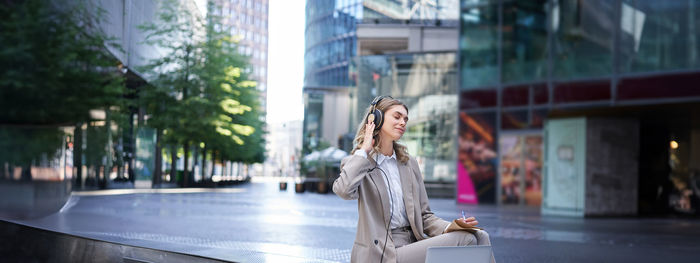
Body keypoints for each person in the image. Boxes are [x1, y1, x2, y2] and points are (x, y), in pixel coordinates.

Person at [333, 96, 494, 263]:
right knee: (465, 240)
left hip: (412, 244)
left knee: (479, 235)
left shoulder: (408, 163)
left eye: (405, 119)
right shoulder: (359, 162)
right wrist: (365, 150)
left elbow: (425, 216)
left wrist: (453, 226)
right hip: (382, 251)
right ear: (377, 119)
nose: (403, 122)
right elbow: (343, 191)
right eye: (397, 117)